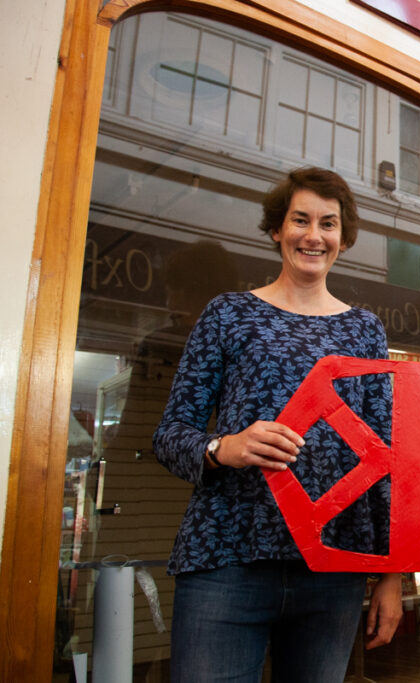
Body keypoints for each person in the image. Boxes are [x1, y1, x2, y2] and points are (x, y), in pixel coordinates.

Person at [153, 167, 402, 682]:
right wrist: (225, 446)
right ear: (276, 229)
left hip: (332, 565)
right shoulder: (228, 314)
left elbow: (387, 456)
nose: (314, 236)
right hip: (227, 555)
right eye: (300, 220)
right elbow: (171, 434)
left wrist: (392, 576)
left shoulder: (364, 329)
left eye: (328, 224)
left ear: (343, 237)